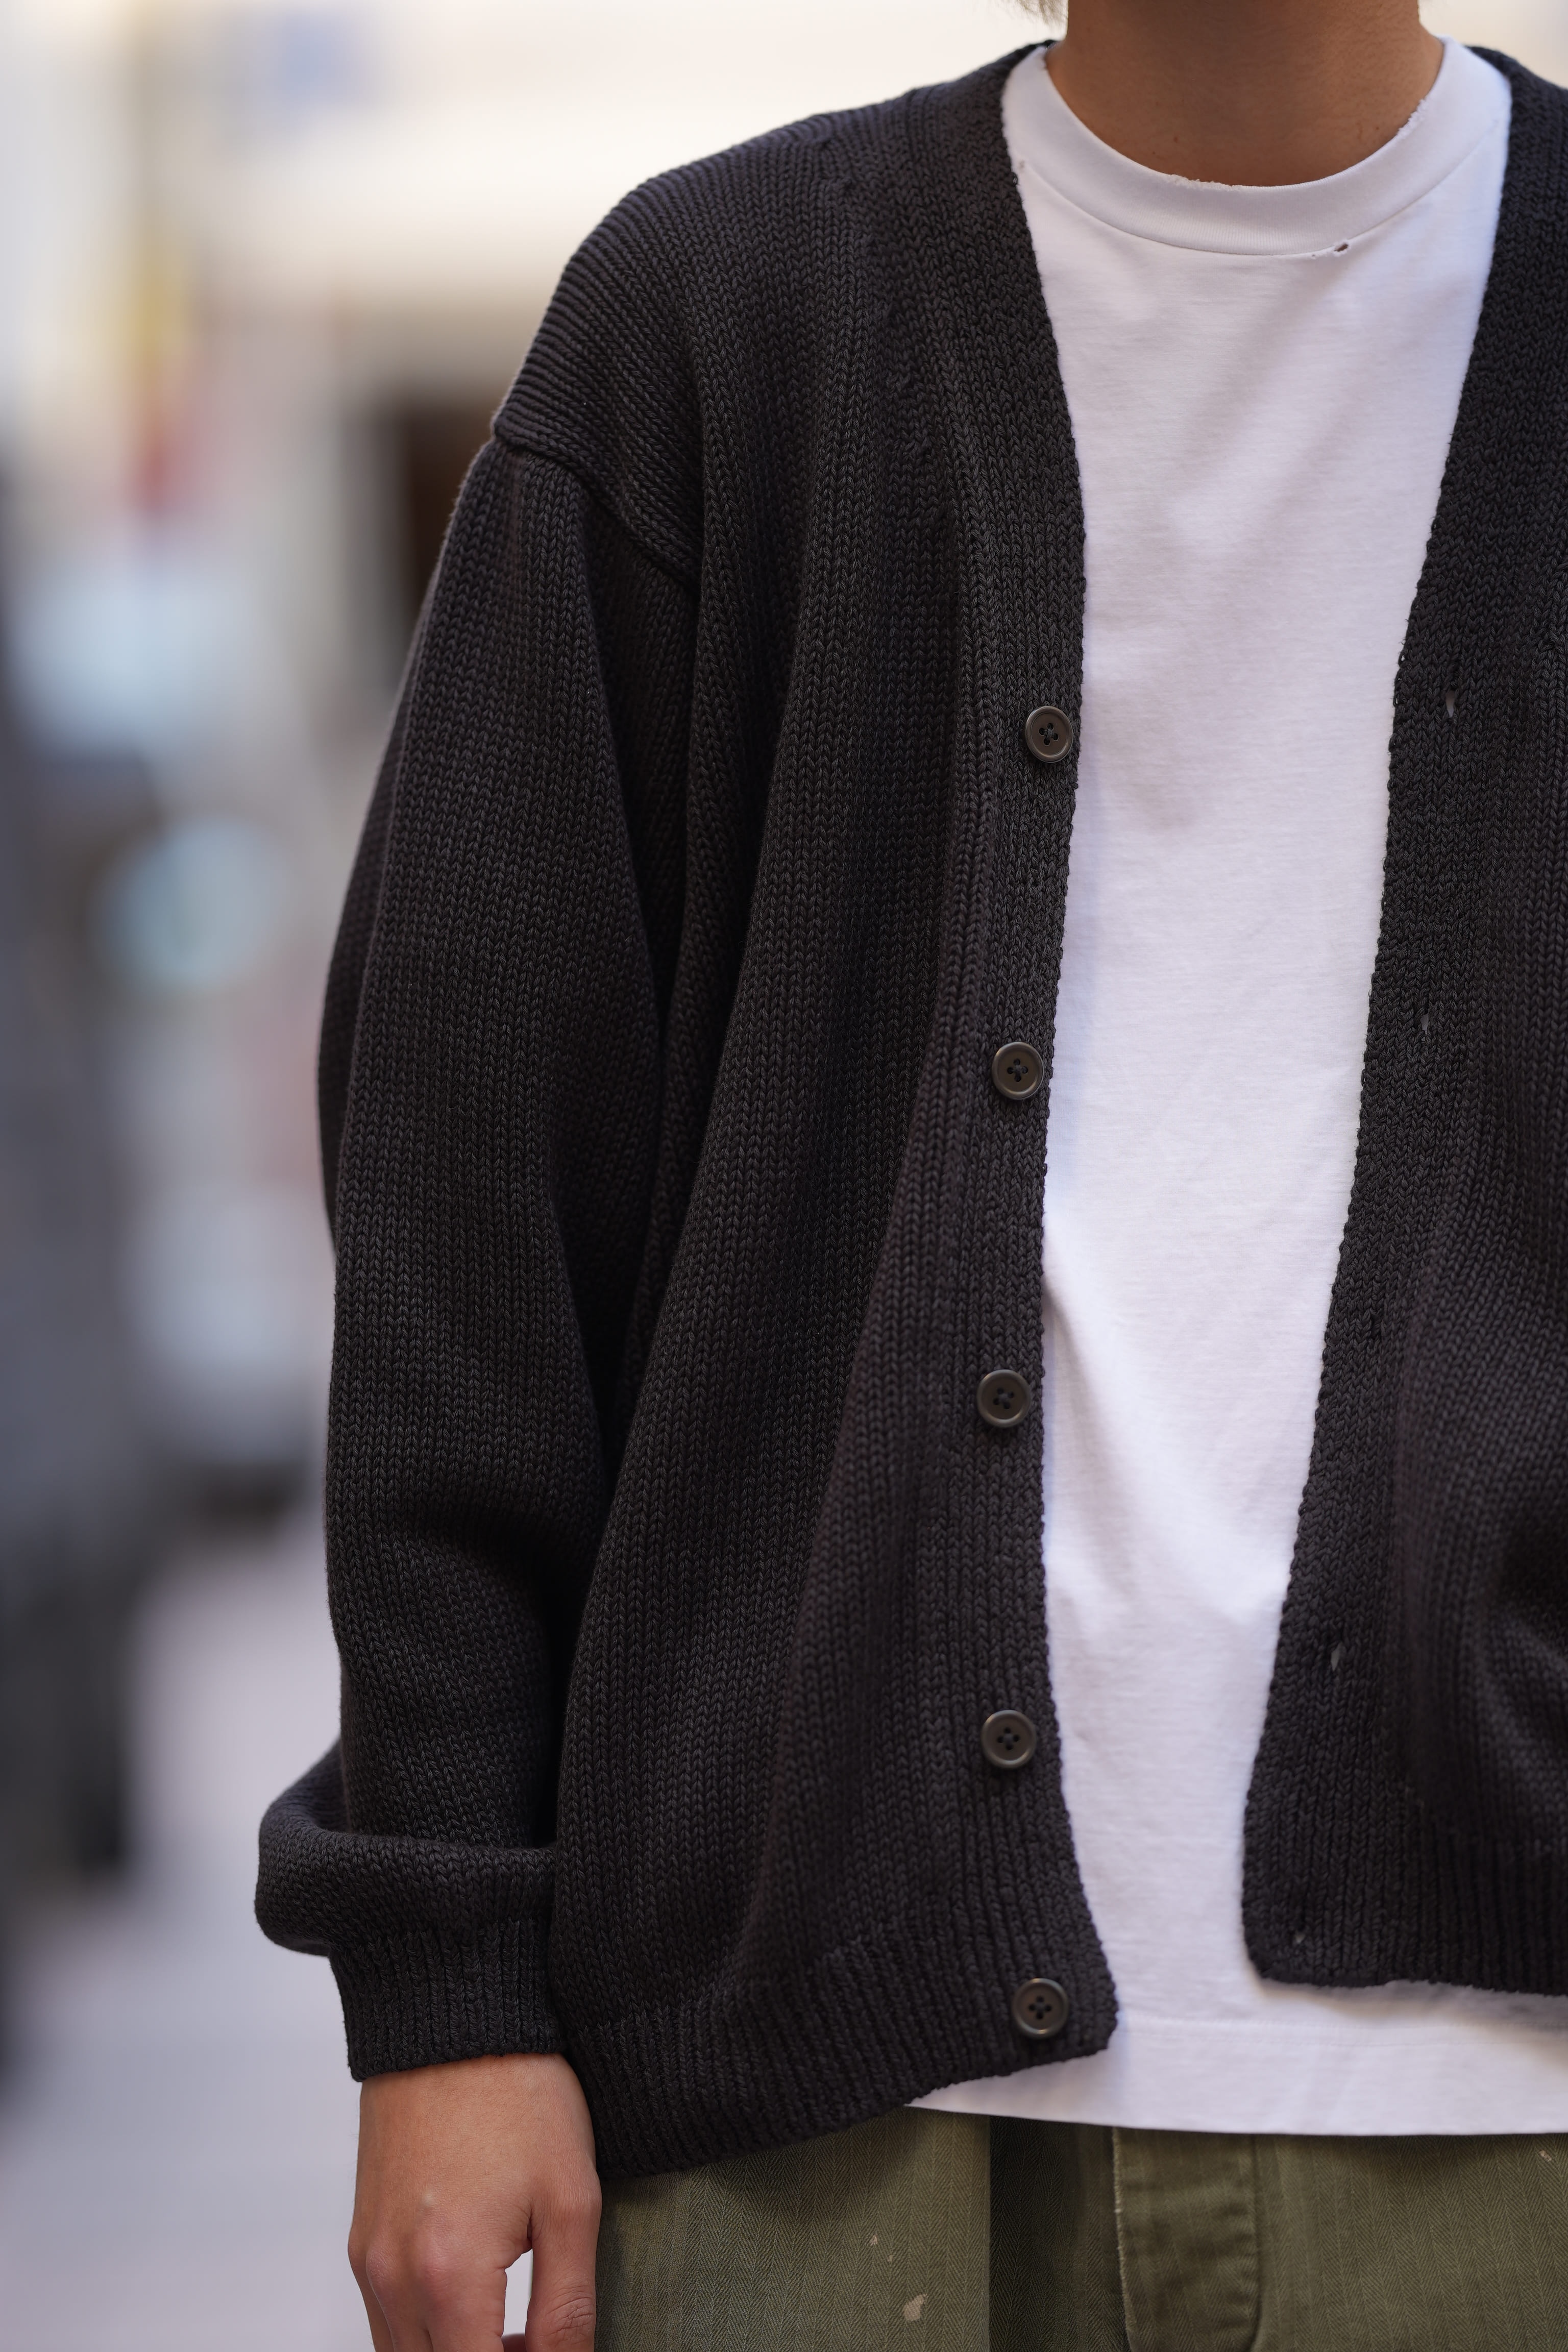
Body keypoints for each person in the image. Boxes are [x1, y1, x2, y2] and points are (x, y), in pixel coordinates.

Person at [257, 0, 1568, 2339]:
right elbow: (473, 1204)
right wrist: (442, 1973)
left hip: (1517, 2110)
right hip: (803, 2114)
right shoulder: (714, 326)